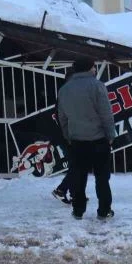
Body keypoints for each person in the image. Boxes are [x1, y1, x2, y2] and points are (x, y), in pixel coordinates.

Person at [57, 57, 116, 220]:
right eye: (94, 67)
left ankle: (78, 210)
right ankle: (104, 210)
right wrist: (110, 135)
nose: (95, 70)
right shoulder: (97, 86)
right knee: (102, 178)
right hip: (99, 139)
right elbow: (106, 113)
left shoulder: (64, 90)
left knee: (78, 177)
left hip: (77, 141)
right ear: (90, 68)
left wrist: (68, 136)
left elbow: (62, 117)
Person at [52, 70, 75, 204]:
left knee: (76, 164)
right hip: (68, 135)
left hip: (67, 134)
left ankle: (73, 193)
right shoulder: (67, 93)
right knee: (77, 164)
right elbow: (63, 117)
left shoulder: (66, 92)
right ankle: (62, 189)